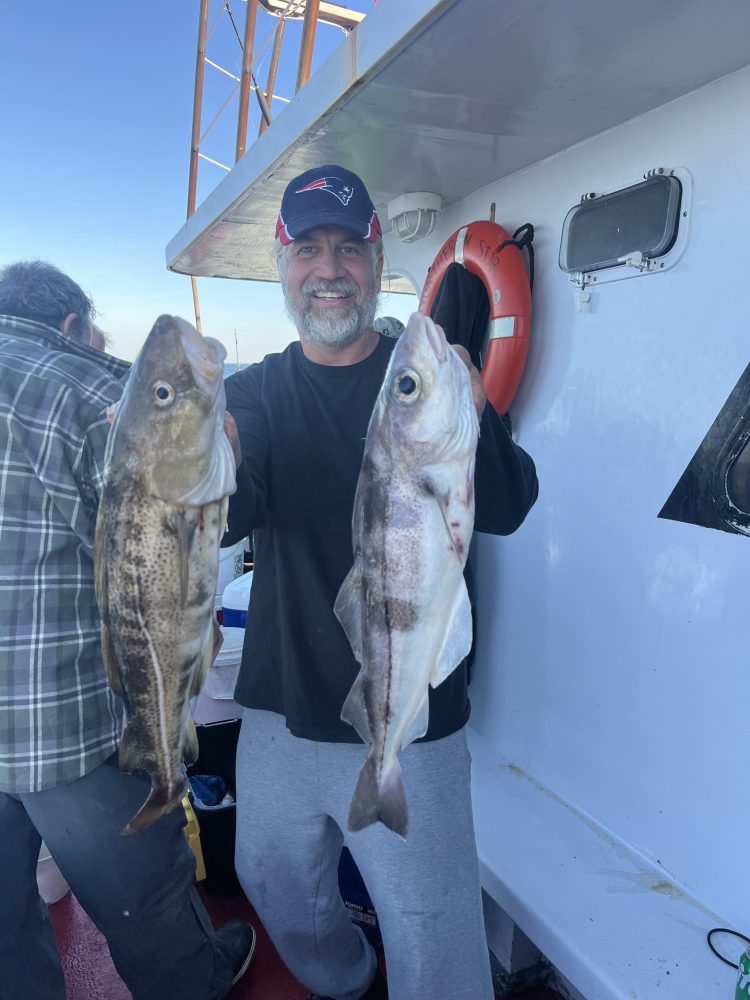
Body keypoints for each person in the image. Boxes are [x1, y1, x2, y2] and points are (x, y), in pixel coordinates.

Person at [223, 165, 539, 1000]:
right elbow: (232, 505)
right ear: (282, 263)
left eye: (349, 248)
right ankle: (349, 981)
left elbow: (506, 506)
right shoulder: (251, 393)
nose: (330, 269)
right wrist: (192, 459)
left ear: (376, 255)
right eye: (309, 249)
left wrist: (473, 412)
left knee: (436, 933)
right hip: (284, 707)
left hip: (414, 710)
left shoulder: (421, 376)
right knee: (271, 884)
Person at [0, 260, 255, 1000]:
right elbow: (175, 536)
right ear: (73, 324)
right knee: (145, 902)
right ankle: (196, 981)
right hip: (67, 725)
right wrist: (222, 448)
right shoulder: (88, 387)